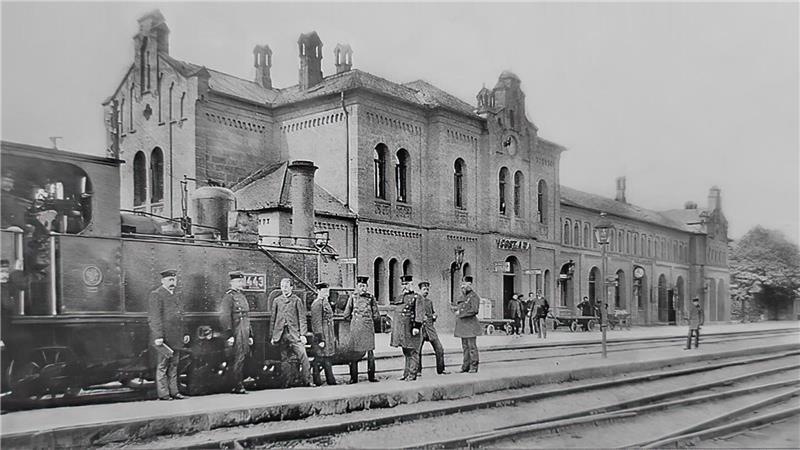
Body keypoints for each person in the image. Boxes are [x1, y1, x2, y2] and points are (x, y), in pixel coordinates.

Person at [148, 269, 189, 400]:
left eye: (174, 279)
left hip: (176, 337)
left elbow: (181, 316)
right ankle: (163, 394)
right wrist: (158, 336)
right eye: (169, 280)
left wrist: (185, 333)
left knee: (174, 366)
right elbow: (154, 318)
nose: (172, 282)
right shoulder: (157, 295)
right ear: (162, 281)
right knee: (162, 366)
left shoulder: (177, 295)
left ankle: (174, 392)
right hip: (164, 339)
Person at [270, 278, 313, 387]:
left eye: (286, 286)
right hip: (281, 334)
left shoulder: (297, 300)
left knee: (303, 356)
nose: (283, 289)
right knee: (284, 359)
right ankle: (286, 382)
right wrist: (272, 335)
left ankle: (307, 381)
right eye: (282, 286)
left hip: (294, 334)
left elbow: (302, 319)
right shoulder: (277, 301)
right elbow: (273, 320)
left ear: (291, 287)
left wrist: (303, 335)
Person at [219, 271, 253, 394]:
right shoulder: (228, 297)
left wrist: (250, 334)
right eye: (238, 281)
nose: (240, 283)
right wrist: (229, 335)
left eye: (241, 281)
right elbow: (224, 317)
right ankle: (236, 385)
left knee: (242, 357)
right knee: (236, 358)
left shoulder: (242, 296)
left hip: (243, 330)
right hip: (236, 331)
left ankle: (238, 383)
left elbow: (247, 316)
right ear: (232, 282)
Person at [343, 276, 380, 383]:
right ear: (357, 287)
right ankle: (354, 378)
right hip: (357, 329)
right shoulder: (352, 297)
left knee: (370, 353)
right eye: (360, 286)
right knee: (354, 353)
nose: (362, 288)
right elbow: (346, 313)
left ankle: (371, 376)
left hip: (367, 328)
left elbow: (376, 314)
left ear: (367, 287)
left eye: (364, 286)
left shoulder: (371, 298)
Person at [391, 275, 423, 381]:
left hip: (411, 329)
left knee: (413, 351)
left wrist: (417, 326)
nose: (405, 286)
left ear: (411, 284)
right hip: (402, 330)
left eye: (407, 284)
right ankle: (406, 373)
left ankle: (412, 374)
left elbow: (419, 313)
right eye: (403, 284)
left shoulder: (417, 297)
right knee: (406, 351)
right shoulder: (400, 297)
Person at [414, 281, 449, 376]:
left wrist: (434, 316)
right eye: (424, 289)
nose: (426, 291)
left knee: (439, 349)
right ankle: (418, 371)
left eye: (427, 289)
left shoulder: (429, 302)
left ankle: (441, 370)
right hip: (421, 328)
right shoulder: (416, 300)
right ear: (419, 290)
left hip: (430, 329)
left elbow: (432, 312)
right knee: (418, 351)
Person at [452, 275, 481, 373]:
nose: (462, 286)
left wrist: (461, 313)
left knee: (472, 347)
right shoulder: (462, 296)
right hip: (462, 326)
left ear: (470, 284)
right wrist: (455, 309)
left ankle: (474, 366)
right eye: (462, 284)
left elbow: (474, 310)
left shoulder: (474, 297)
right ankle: (465, 366)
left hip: (471, 325)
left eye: (465, 284)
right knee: (465, 347)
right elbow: (460, 307)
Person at [310, 282, 337, 386]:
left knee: (326, 357)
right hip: (322, 334)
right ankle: (320, 380)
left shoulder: (325, 302)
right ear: (318, 291)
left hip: (328, 333)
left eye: (327, 291)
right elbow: (316, 323)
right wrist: (320, 338)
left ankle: (329, 380)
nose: (326, 293)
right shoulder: (317, 304)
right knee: (320, 358)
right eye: (324, 291)